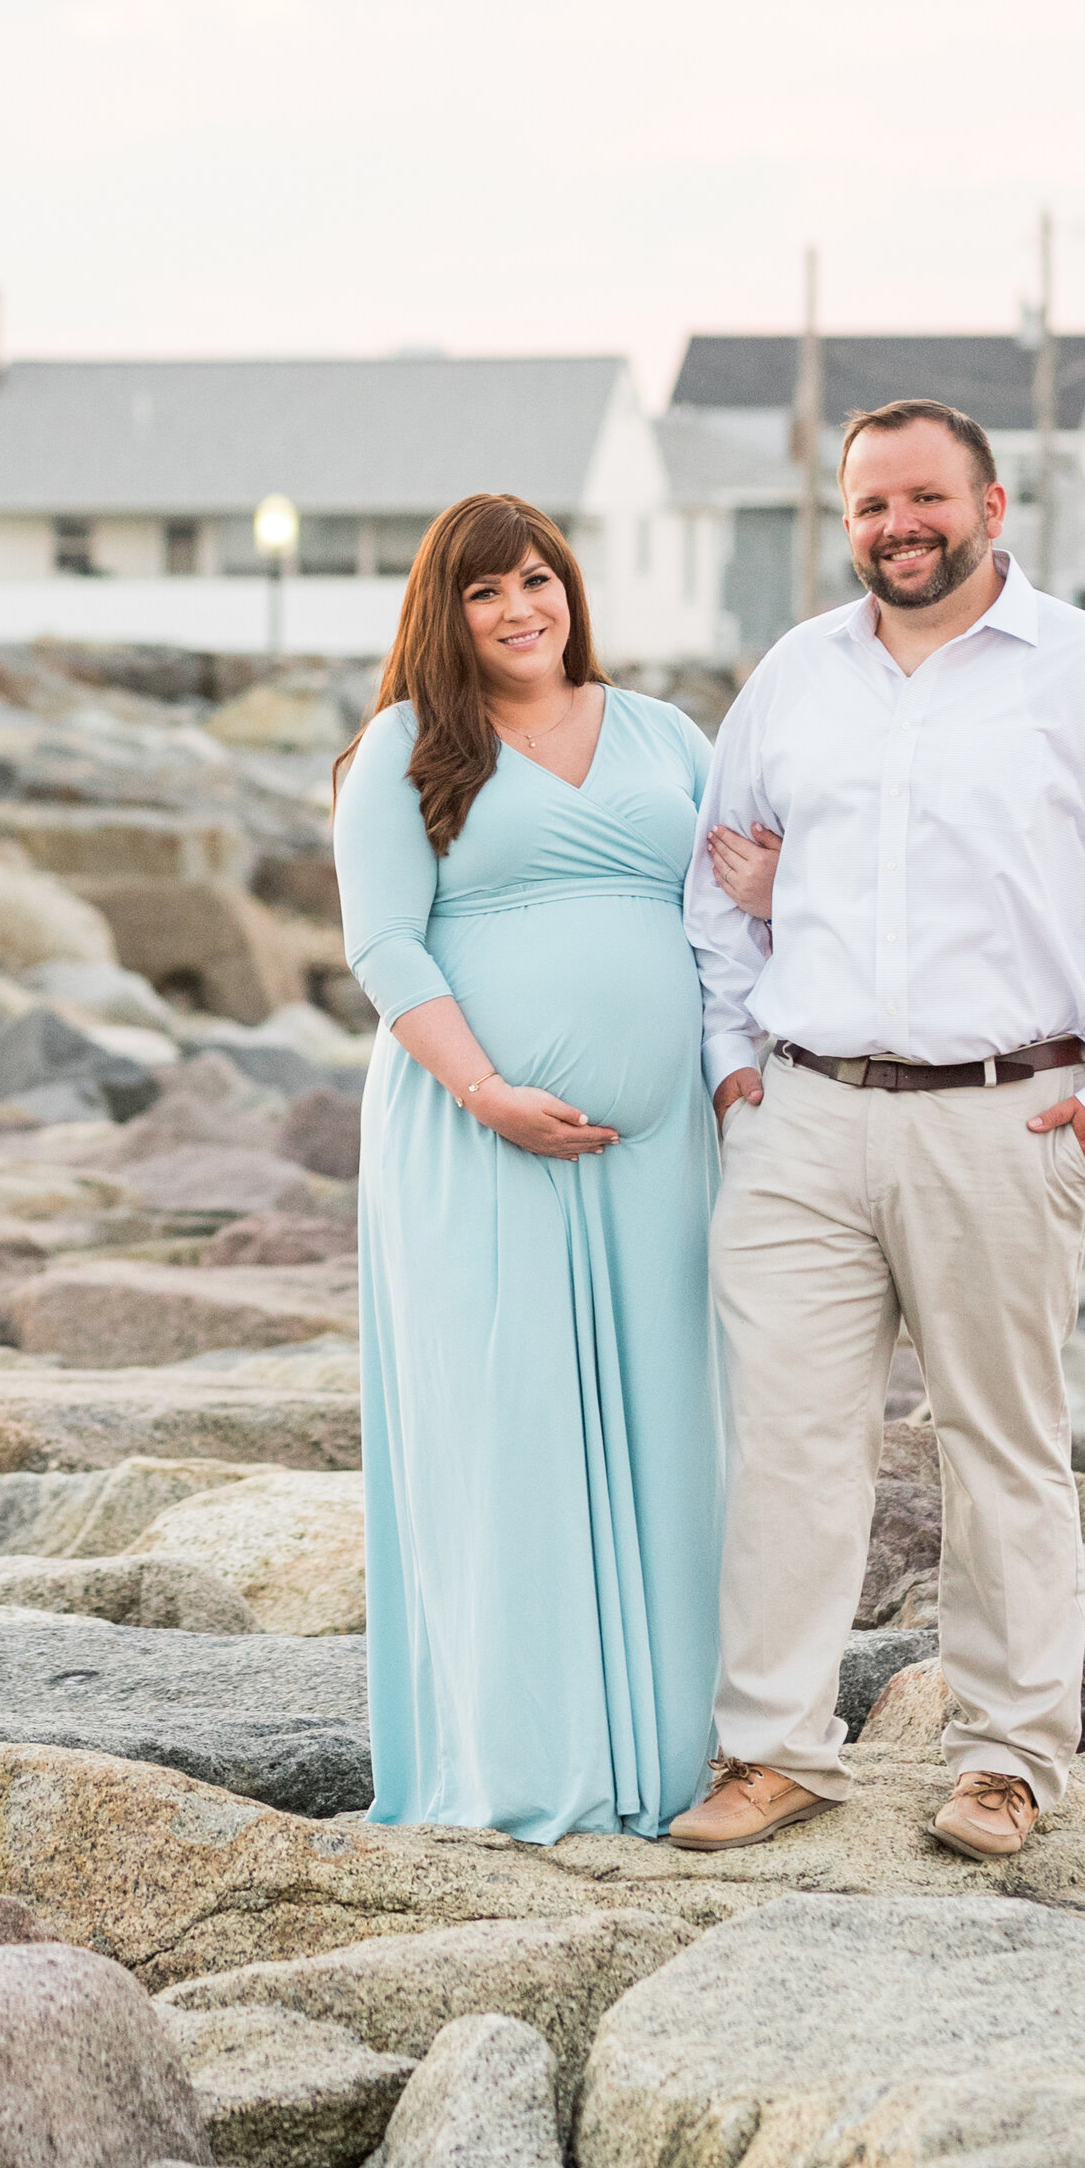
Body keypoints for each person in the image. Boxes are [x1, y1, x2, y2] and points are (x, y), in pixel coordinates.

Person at [677, 399, 1085, 1859]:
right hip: (804, 1119)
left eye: (925, 497)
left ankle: (1006, 1758)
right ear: (845, 516)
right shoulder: (797, 675)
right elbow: (712, 876)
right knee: (791, 1442)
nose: (896, 525)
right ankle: (775, 1746)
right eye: (870, 503)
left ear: (992, 503)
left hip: (1007, 1117)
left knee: (1002, 1449)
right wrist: (736, 1058)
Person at [331, 493, 725, 1841]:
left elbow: (737, 910)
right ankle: (517, 1768)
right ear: (444, 613)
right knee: (504, 1432)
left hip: (661, 1147)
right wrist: (489, 1089)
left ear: (573, 588)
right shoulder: (407, 746)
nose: (519, 609)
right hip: (473, 1135)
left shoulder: (668, 733)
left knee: (674, 1430)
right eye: (485, 591)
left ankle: (673, 1765)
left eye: (538, 579)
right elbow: (386, 946)